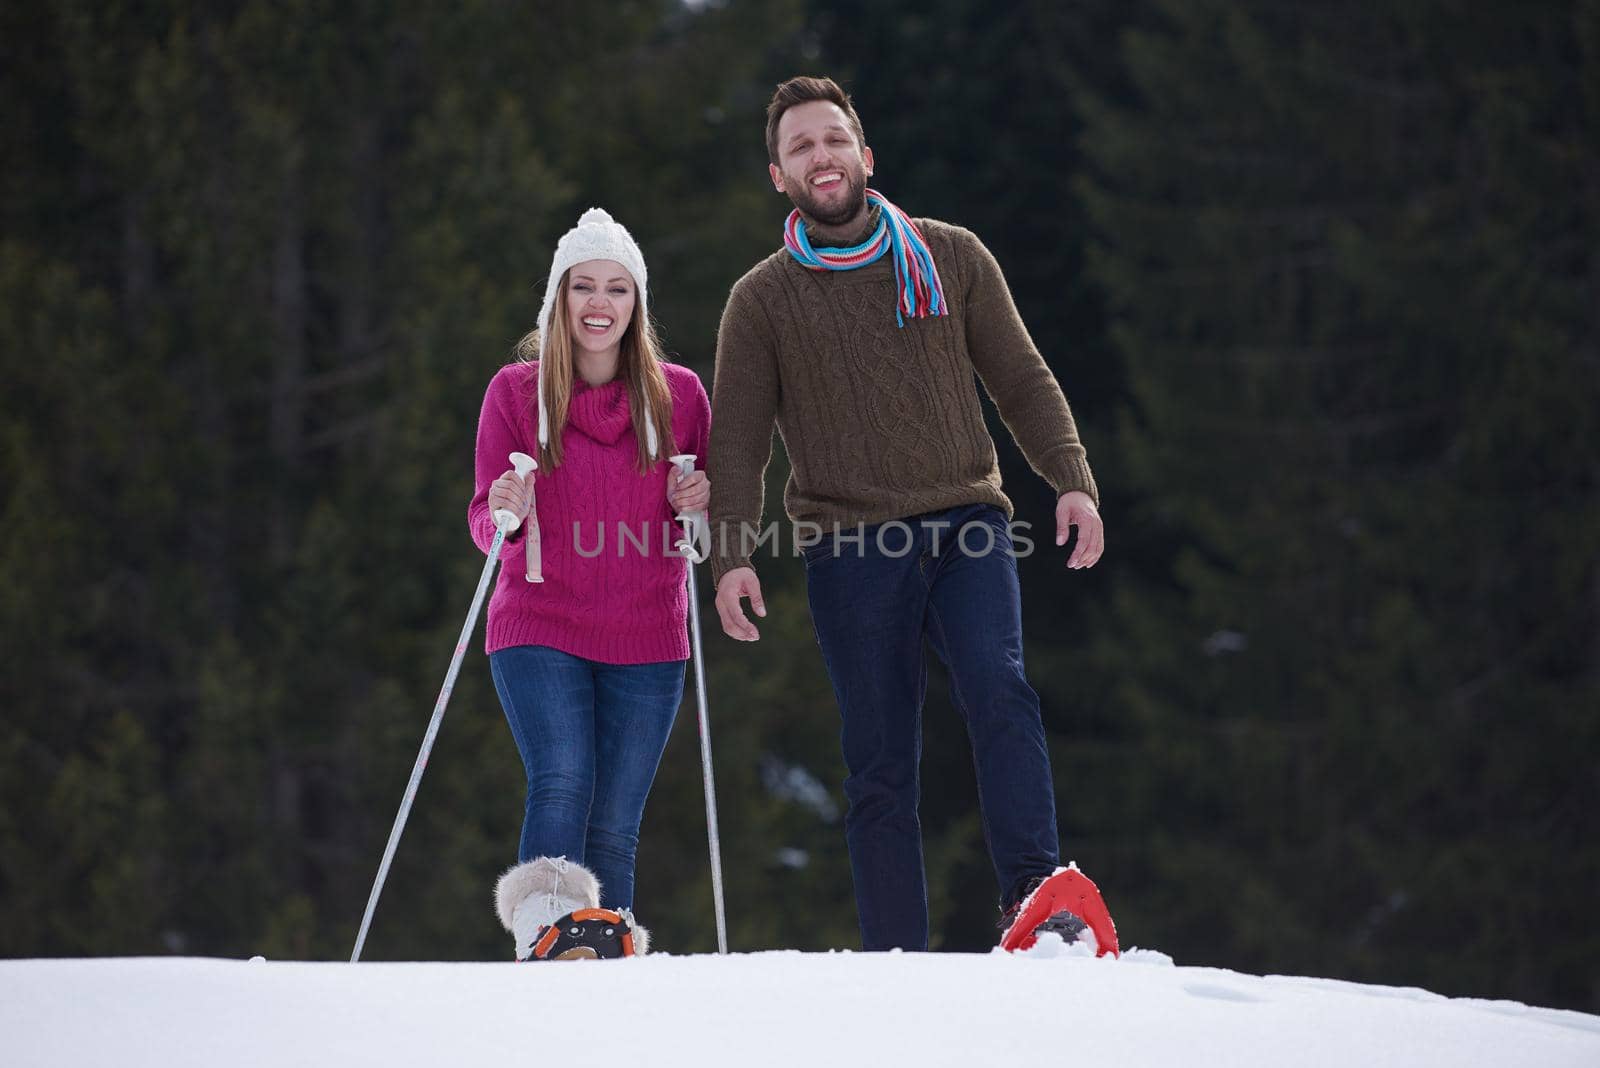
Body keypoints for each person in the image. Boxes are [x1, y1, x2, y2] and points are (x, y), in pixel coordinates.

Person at [706, 77, 1113, 953]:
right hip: (849, 543)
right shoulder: (762, 300)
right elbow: (736, 441)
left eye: (834, 140)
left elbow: (1021, 376)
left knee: (999, 688)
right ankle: (899, 959)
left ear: (866, 154)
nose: (822, 157)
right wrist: (731, 554)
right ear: (779, 176)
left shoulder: (952, 255)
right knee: (881, 765)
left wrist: (1069, 477)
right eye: (802, 147)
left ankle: (1040, 906)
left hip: (967, 518)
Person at [469, 207, 711, 960]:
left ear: (637, 303)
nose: (599, 304)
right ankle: (548, 939)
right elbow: (485, 523)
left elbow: (701, 533)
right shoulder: (515, 394)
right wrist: (503, 509)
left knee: (615, 824)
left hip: (647, 630)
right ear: (558, 300)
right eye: (584, 287)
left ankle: (603, 961)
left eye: (617, 288)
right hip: (540, 621)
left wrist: (698, 507)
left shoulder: (680, 398)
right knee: (563, 777)